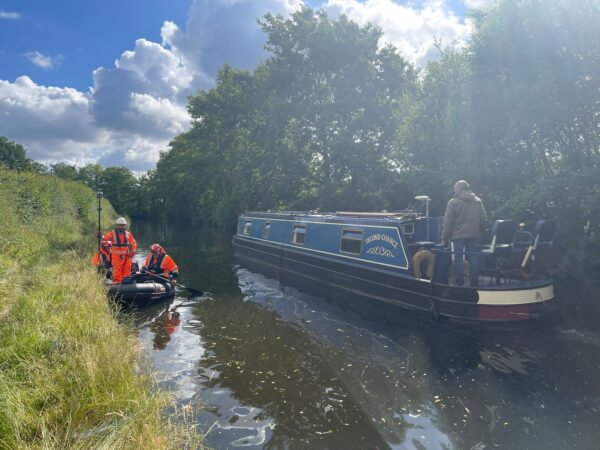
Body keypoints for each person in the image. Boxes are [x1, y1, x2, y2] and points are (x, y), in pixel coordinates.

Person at [441, 180, 487, 286]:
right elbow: (483, 219)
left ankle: (460, 281)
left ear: (460, 188)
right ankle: (475, 282)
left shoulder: (453, 202)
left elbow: (448, 222)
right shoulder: (477, 201)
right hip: (474, 234)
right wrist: (481, 232)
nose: (454, 189)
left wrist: (444, 237)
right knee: (473, 257)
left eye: (455, 187)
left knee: (458, 257)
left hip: (458, 235)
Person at [103, 217, 137, 284]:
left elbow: (133, 243)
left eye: (123, 225)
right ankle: (117, 289)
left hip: (127, 259)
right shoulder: (112, 234)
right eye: (120, 225)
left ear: (125, 226)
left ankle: (127, 288)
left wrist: (132, 251)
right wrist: (101, 236)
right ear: (117, 226)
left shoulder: (128, 234)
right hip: (117, 259)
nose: (122, 227)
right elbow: (105, 239)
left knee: (127, 275)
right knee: (117, 275)